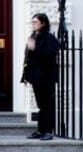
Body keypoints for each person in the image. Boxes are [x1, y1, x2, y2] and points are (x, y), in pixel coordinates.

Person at [22, 13, 60, 141]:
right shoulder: (33, 36)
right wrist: (26, 75)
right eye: (32, 22)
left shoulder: (49, 38)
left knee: (47, 104)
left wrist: (35, 48)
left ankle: (48, 131)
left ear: (43, 23)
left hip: (46, 76)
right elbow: (28, 58)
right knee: (41, 104)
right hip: (36, 76)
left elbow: (50, 54)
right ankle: (40, 130)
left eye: (35, 22)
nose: (33, 24)